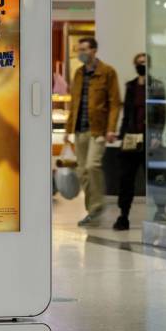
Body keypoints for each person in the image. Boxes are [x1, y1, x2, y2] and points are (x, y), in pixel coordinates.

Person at [65, 37, 121, 228]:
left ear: (94, 50)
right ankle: (93, 211)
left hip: (98, 129)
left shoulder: (107, 72)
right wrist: (68, 129)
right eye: (79, 49)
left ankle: (97, 205)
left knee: (92, 165)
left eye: (84, 49)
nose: (81, 52)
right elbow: (74, 103)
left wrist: (111, 128)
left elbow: (114, 103)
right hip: (80, 129)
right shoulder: (78, 74)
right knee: (82, 171)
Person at [115, 53, 148, 231]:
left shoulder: (156, 86)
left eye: (145, 62)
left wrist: (156, 136)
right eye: (139, 63)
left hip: (148, 139)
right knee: (126, 179)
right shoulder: (131, 87)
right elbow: (127, 115)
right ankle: (124, 214)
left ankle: (159, 210)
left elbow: (160, 113)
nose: (142, 65)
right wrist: (121, 136)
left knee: (152, 178)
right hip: (131, 138)